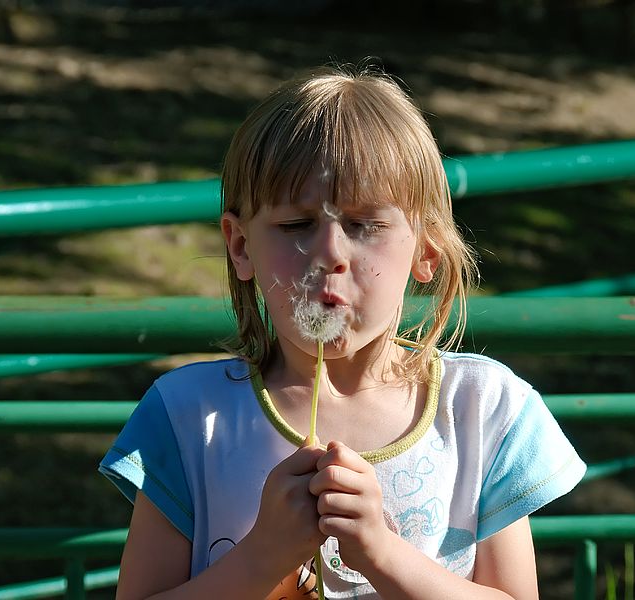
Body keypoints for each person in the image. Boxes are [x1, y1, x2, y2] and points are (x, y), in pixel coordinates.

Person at [100, 65, 586, 600]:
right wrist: (264, 557)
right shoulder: (188, 418)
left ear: (425, 248)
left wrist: (381, 552)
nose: (331, 253)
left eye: (365, 225)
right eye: (295, 225)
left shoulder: (481, 411)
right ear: (240, 246)